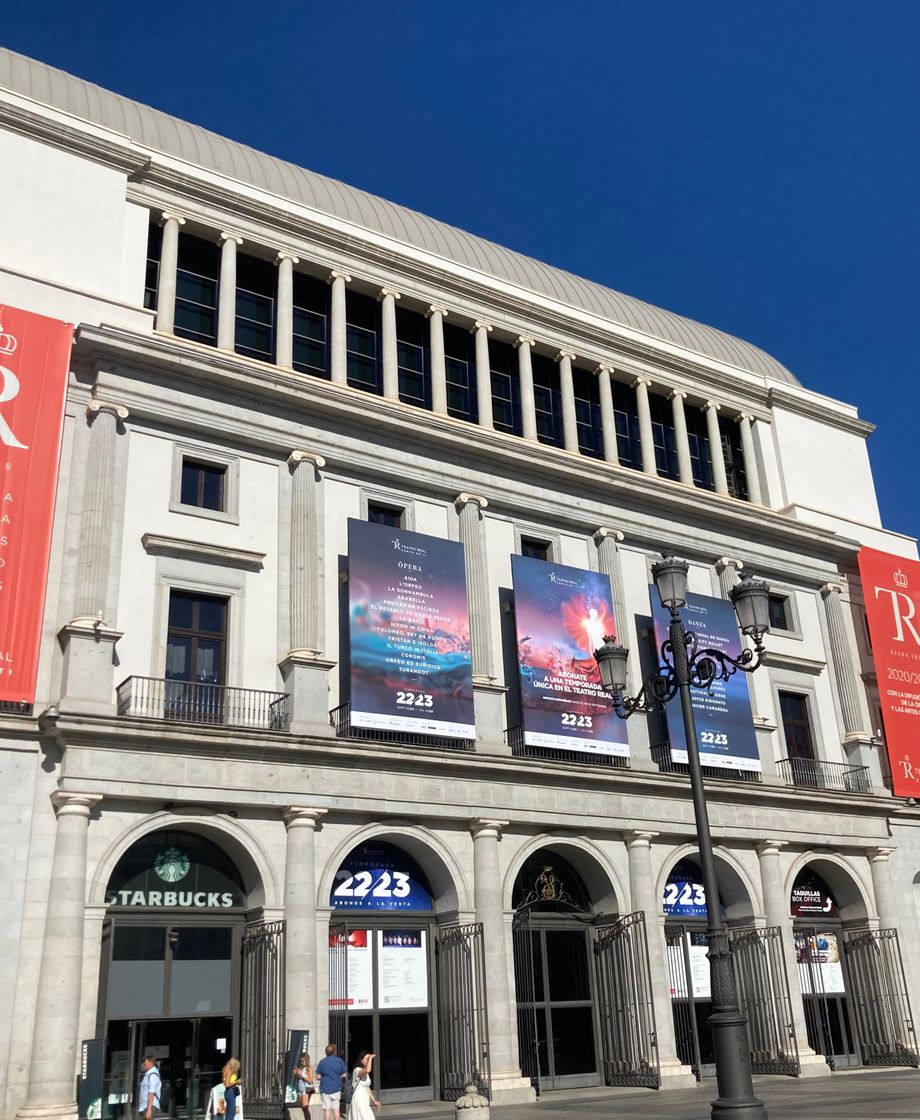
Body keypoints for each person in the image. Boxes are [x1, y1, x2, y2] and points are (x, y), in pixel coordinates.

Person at [314, 1043, 348, 1120]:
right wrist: (339, 1076)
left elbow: (317, 1076)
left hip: (325, 1089)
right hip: (336, 1089)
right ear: (334, 1052)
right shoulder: (339, 1061)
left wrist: (323, 1077)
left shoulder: (322, 1062)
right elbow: (345, 1074)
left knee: (327, 1111)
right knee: (336, 1110)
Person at [347, 1051, 381, 1119]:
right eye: (366, 1059)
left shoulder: (365, 1073)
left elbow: (367, 1087)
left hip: (364, 1101)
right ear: (361, 1060)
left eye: (369, 1059)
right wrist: (371, 1057)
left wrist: (374, 1100)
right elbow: (368, 1070)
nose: (368, 1061)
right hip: (359, 1100)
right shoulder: (357, 1070)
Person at [293, 1051, 314, 1117]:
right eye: (301, 1061)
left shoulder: (309, 1068)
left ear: (307, 1060)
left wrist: (301, 1076)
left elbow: (310, 1080)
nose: (301, 1062)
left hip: (306, 1088)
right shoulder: (302, 1068)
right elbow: (300, 1078)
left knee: (305, 1107)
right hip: (300, 1088)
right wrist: (296, 1073)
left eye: (303, 1061)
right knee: (302, 1107)